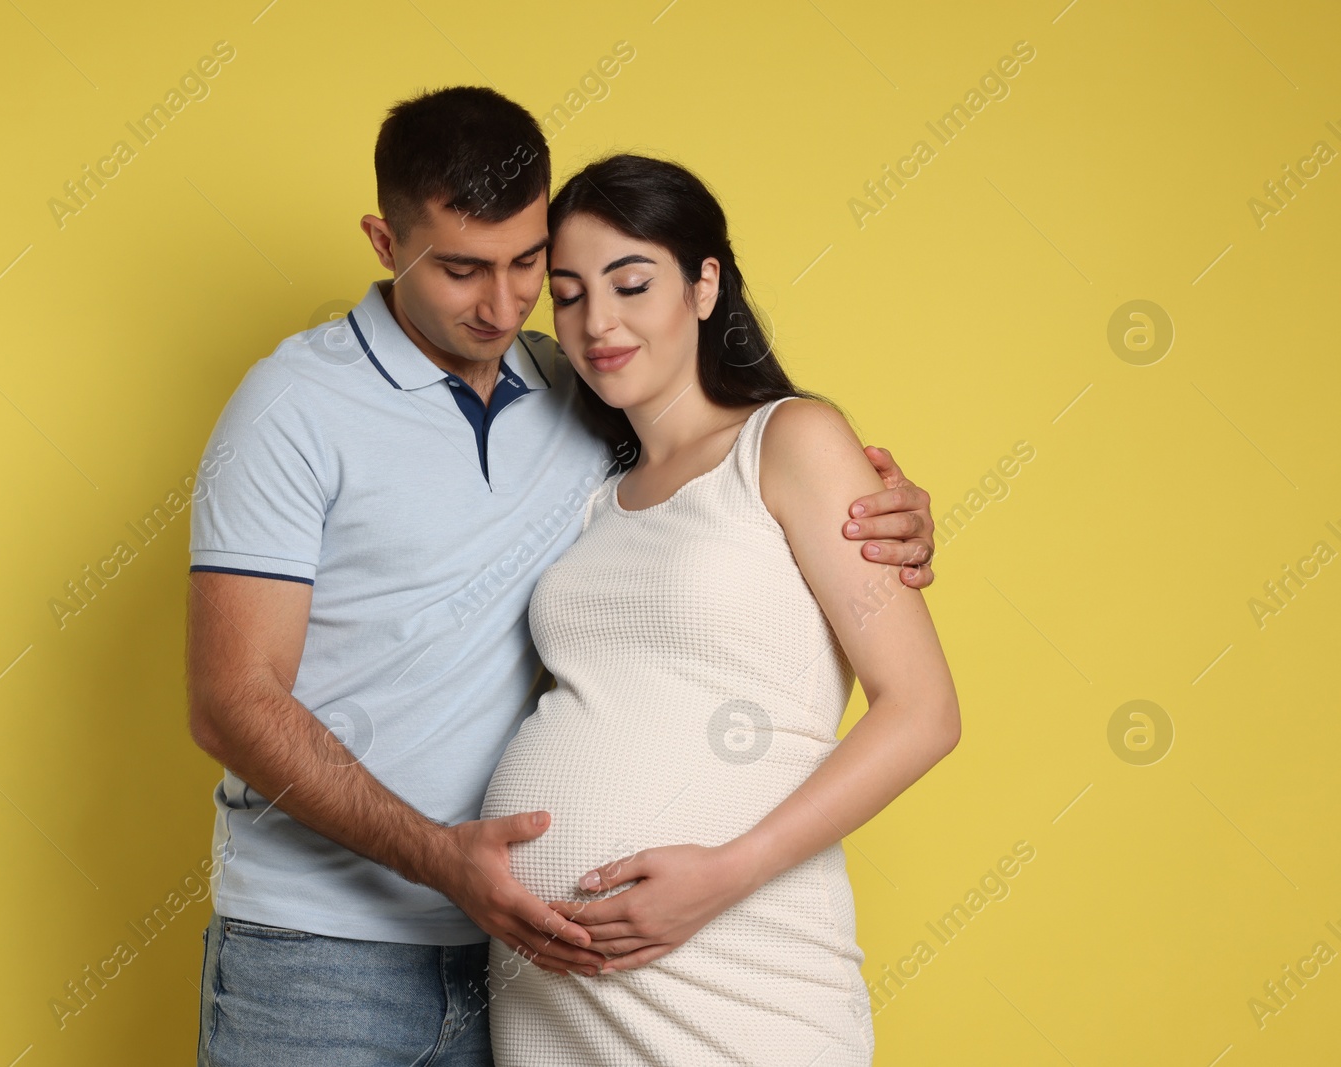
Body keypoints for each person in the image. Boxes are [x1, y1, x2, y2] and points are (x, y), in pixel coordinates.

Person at [186, 87, 939, 1067]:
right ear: (384, 239)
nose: (507, 307)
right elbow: (232, 699)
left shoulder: (577, 398)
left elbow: (744, 500)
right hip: (329, 952)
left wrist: (889, 514)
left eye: (528, 265)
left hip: (534, 960)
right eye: (462, 269)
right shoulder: (292, 406)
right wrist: (439, 857)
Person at [479, 153, 961, 1066]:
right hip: (557, 1009)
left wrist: (720, 876)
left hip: (738, 970)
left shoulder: (791, 441)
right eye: (569, 295)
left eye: (631, 283)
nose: (597, 322)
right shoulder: (593, 491)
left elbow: (925, 711)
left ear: (705, 285)